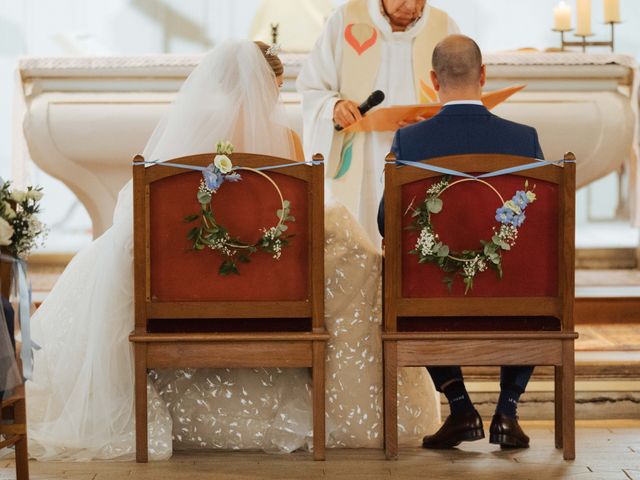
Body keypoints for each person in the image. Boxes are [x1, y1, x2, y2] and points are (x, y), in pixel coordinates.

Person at [27, 39, 439, 461]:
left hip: (188, 296)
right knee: (358, 268)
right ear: (270, 89)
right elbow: (320, 225)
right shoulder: (290, 144)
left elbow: (141, 235)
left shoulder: (183, 153)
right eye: (274, 90)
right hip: (278, 298)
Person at [378, 35, 544, 450]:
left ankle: (460, 405)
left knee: (413, 276)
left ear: (434, 80)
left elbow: (386, 221)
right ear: (484, 75)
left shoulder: (411, 141)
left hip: (436, 296)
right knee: (532, 276)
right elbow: (543, 224)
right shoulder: (523, 139)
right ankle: (507, 411)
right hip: (513, 296)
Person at [297, 0, 459, 245]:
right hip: (360, 155)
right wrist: (335, 106)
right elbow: (311, 87)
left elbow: (461, 97)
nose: (412, 6)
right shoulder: (346, 19)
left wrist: (433, 124)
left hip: (419, 156)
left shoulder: (444, 28)